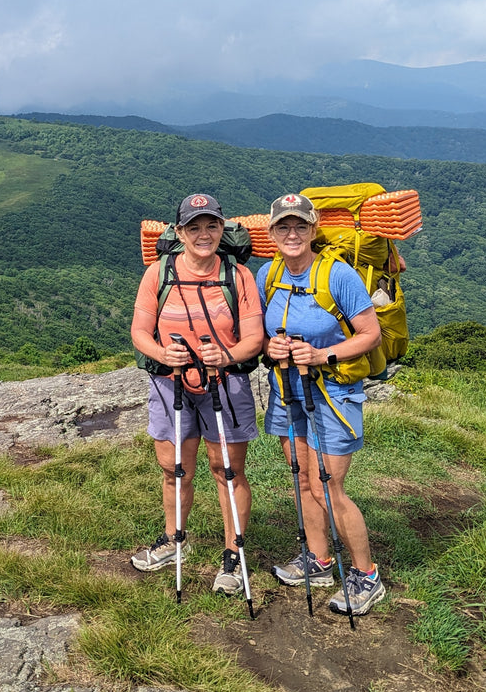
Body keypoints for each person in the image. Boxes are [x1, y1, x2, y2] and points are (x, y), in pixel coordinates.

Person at [257, 192, 387, 616]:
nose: (291, 234)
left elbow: (370, 335)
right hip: (287, 389)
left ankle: (367, 576)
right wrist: (270, 347)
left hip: (333, 392)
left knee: (328, 486)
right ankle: (319, 560)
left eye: (300, 226)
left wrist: (322, 355)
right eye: (283, 227)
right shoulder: (269, 274)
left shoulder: (338, 275)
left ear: (314, 229)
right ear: (272, 232)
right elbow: (258, 331)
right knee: (301, 478)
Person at [129, 193, 265, 595]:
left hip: (225, 384)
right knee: (174, 468)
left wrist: (225, 355)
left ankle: (233, 553)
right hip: (170, 384)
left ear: (222, 229)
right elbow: (139, 331)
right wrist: (161, 353)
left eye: (211, 226)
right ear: (180, 232)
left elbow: (254, 338)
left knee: (227, 469)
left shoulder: (237, 276)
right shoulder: (158, 273)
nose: (203, 234)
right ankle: (174, 541)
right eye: (194, 227)